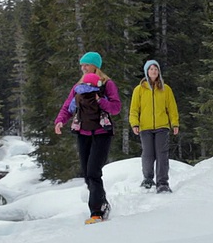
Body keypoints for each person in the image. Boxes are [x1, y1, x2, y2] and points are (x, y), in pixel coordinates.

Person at [54, 52, 121, 224]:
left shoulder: (107, 84)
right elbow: (68, 107)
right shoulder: (78, 86)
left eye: (86, 65)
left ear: (95, 66)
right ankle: (103, 203)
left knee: (93, 172)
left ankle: (96, 212)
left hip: (102, 133)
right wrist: (60, 121)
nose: (83, 68)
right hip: (83, 133)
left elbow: (116, 108)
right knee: (87, 175)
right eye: (81, 65)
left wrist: (99, 101)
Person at [129, 60, 179, 193]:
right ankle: (148, 178)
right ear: (146, 72)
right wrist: (134, 123)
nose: (153, 71)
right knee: (148, 154)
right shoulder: (139, 90)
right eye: (151, 69)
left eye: (156, 69)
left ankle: (162, 182)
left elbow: (172, 108)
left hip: (162, 127)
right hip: (145, 127)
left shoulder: (166, 89)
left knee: (162, 154)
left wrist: (174, 123)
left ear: (159, 72)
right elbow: (134, 109)